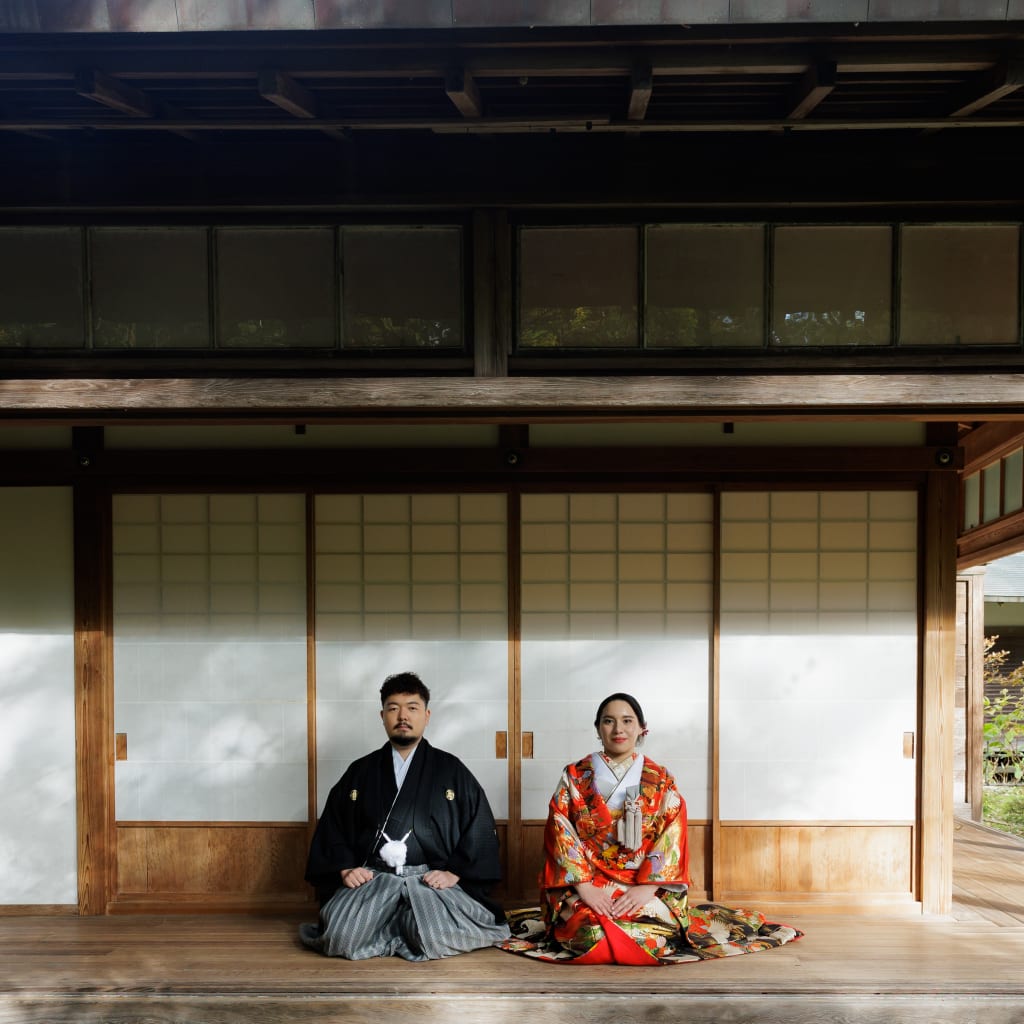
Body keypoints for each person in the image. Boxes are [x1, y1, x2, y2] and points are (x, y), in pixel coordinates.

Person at [500, 692, 801, 965]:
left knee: (650, 935)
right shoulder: (575, 776)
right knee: (589, 933)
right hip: (590, 883)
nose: (618, 729)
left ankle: (641, 917)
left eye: (627, 721)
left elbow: (673, 832)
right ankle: (594, 917)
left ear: (642, 728)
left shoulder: (660, 778)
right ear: (598, 728)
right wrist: (585, 888)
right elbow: (560, 830)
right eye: (609, 721)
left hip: (641, 884)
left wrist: (647, 887)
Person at [300, 671, 510, 960]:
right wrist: (346, 868)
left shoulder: (451, 769)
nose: (403, 716)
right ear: (382, 715)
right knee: (341, 939)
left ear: (426, 714)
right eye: (393, 708)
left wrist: (453, 872)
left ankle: (397, 928)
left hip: (428, 880)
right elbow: (333, 827)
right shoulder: (360, 771)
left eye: (412, 708)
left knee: (437, 937)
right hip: (374, 879)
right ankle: (400, 929)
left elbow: (479, 827)